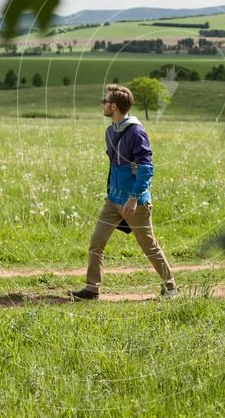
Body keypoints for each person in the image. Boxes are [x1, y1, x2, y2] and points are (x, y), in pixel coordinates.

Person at [69, 84, 179, 300]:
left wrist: (134, 197)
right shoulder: (110, 131)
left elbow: (147, 168)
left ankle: (172, 288)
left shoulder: (137, 132)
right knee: (96, 242)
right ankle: (92, 289)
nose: (102, 103)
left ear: (115, 106)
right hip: (113, 200)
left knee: (149, 246)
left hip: (134, 202)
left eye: (105, 100)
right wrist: (112, 191)